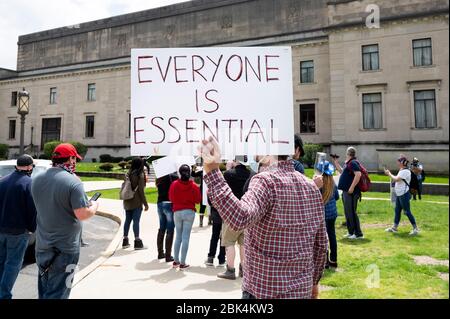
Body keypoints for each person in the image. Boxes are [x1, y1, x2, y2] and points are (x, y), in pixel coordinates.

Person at [200, 137, 327, 299]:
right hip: (301, 290)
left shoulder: (265, 181)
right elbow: (321, 244)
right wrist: (314, 282)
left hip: (263, 292)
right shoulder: (311, 186)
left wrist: (212, 170)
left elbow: (239, 218)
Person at [31, 143, 98, 299]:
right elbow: (83, 214)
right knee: (59, 293)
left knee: (45, 289)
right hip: (65, 249)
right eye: (75, 159)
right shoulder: (73, 182)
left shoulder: (37, 178)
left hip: (42, 246)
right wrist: (94, 206)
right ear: (71, 159)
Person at [0, 155, 37, 299]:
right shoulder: (29, 183)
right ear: (29, 167)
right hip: (18, 232)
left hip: (1, 230)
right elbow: (32, 210)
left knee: (2, 262)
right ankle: (4, 295)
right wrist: (31, 228)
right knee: (13, 264)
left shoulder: (2, 182)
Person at [217, 158, 250, 280]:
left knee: (229, 243)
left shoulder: (228, 174)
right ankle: (244, 269)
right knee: (244, 244)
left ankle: (230, 270)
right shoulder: (251, 175)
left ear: (235, 160)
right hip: (246, 213)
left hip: (231, 214)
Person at [169, 165, 201, 269]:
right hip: (189, 212)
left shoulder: (174, 184)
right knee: (185, 237)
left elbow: (171, 198)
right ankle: (182, 262)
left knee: (178, 236)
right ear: (190, 173)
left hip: (177, 212)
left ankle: (176, 261)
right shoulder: (194, 186)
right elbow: (198, 200)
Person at [332, 146, 364, 239]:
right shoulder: (349, 163)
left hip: (352, 192)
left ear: (348, 153)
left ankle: (358, 233)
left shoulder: (353, 162)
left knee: (352, 212)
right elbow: (342, 171)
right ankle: (351, 232)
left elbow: (358, 174)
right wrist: (336, 162)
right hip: (347, 192)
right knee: (348, 212)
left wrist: (351, 187)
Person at [384, 155, 420, 235]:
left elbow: (396, 179)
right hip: (399, 194)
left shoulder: (405, 171)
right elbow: (397, 178)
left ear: (403, 163)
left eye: (399, 161)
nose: (397, 162)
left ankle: (416, 229)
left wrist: (389, 174)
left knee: (407, 212)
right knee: (397, 211)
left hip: (404, 194)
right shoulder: (402, 170)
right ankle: (394, 228)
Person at [315, 160, 339, 269]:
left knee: (323, 238)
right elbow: (337, 197)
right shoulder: (332, 183)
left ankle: (325, 262)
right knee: (332, 236)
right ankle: (334, 260)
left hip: (323, 215)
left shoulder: (319, 184)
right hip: (332, 214)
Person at [122, 158, 149, 250]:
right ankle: (137, 242)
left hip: (127, 199)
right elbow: (141, 191)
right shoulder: (140, 174)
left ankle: (125, 241)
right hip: (136, 201)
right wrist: (145, 204)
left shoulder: (128, 173)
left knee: (127, 220)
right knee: (136, 221)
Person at [155, 172, 178, 262]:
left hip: (160, 203)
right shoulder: (174, 177)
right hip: (169, 203)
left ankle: (160, 253)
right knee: (170, 229)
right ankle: (168, 256)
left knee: (162, 228)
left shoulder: (159, 177)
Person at [204, 195, 226, 267]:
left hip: (216, 213)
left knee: (214, 236)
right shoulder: (227, 187)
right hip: (225, 215)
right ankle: (222, 259)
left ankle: (210, 257)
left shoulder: (213, 188)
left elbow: (210, 202)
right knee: (223, 237)